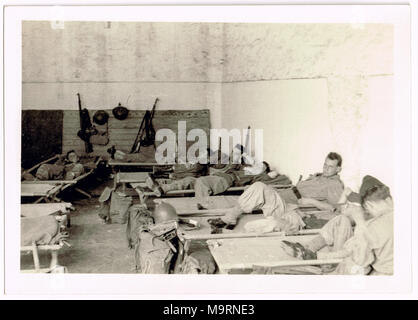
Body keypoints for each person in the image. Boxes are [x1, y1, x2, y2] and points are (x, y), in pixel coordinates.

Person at [281, 175, 393, 275]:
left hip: (375, 271)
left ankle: (320, 262)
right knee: (342, 220)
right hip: (372, 259)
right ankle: (309, 251)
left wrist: (359, 221)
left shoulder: (371, 226)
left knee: (351, 259)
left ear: (369, 204)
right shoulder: (402, 216)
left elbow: (358, 260)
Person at [208, 152, 344, 229]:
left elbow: (335, 209)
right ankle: (232, 215)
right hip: (285, 196)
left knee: (259, 187)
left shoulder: (334, 185)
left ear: (338, 169)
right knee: (254, 188)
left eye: (330, 167)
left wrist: (312, 202)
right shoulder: (318, 176)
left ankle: (229, 217)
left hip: (291, 206)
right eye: (325, 165)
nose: (326, 169)